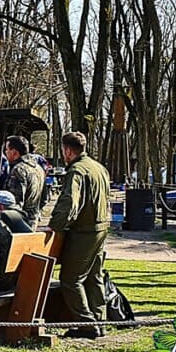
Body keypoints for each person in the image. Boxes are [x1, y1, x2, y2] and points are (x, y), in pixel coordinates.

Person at [46, 131, 111, 339]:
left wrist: (55, 226)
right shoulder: (98, 167)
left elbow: (69, 202)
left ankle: (86, 324)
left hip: (84, 231)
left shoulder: (77, 171)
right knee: (94, 277)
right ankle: (100, 321)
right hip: (101, 227)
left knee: (70, 279)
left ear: (67, 150)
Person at [3, 135, 46, 229]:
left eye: (7, 149)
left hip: (18, 222)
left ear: (14, 152)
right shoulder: (39, 168)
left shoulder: (18, 170)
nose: (5, 152)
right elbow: (44, 198)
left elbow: (14, 202)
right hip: (33, 220)